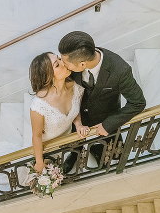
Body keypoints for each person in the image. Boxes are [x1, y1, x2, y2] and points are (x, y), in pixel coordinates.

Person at [58, 31, 146, 173]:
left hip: (104, 117)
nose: (63, 65)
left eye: (66, 63)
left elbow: (138, 103)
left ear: (82, 64)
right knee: (74, 141)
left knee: (108, 151)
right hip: (77, 116)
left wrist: (108, 124)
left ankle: (98, 150)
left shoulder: (120, 70)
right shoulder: (74, 66)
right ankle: (75, 153)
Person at [29, 52, 90, 174]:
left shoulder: (75, 87)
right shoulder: (39, 105)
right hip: (48, 145)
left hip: (66, 138)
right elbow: (36, 136)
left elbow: (76, 110)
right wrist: (39, 162)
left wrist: (78, 124)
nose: (64, 63)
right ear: (48, 76)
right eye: (57, 65)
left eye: (59, 58)